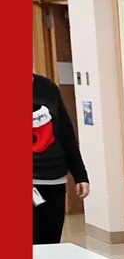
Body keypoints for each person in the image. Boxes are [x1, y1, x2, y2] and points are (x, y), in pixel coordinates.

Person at [33, 72, 89, 244]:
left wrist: (80, 175)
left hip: (54, 178)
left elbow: (65, 133)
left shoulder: (48, 87)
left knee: (50, 241)